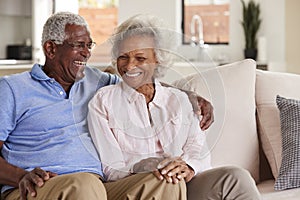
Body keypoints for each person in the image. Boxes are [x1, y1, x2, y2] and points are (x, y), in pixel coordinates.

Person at [0, 12, 213, 200]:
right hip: (36, 187)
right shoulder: (12, 89)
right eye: (78, 45)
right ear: (51, 48)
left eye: (88, 45)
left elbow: (140, 79)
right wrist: (20, 175)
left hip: (100, 188)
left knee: (165, 179)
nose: (87, 53)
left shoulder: (94, 79)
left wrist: (189, 96)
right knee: (85, 185)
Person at [87, 14, 262, 200]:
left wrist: (187, 166)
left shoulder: (179, 100)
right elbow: (110, 167)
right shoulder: (103, 101)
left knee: (235, 177)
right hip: (137, 185)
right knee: (166, 178)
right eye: (123, 57)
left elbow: (198, 149)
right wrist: (147, 166)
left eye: (140, 58)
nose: (130, 65)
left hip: (183, 182)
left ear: (158, 60)